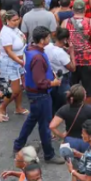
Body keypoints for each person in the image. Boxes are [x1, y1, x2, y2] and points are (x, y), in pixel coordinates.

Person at [13, 27, 64, 165]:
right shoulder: (38, 57)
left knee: (32, 119)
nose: (50, 39)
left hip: (34, 94)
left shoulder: (31, 50)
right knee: (45, 125)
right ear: (42, 40)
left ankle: (18, 144)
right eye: (48, 37)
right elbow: (40, 82)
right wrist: (53, 83)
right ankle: (49, 154)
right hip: (40, 95)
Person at [50, 84, 91, 150]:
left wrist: (62, 136)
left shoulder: (64, 109)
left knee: (71, 159)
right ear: (84, 97)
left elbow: (52, 126)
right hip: (87, 141)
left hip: (71, 141)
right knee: (87, 159)